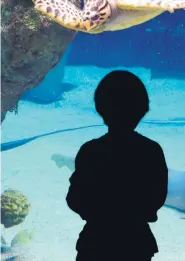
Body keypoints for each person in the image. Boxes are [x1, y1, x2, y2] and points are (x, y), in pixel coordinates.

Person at [66, 70, 168, 261]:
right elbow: (157, 198)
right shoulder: (151, 151)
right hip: (136, 243)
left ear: (99, 108)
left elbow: (75, 199)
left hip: (95, 242)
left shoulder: (90, 151)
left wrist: (98, 215)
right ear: (143, 110)